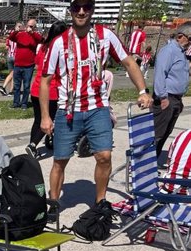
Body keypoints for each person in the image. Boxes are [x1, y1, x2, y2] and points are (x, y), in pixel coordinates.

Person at [40, 0, 152, 213]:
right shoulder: (59, 42)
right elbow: (45, 81)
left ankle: (100, 203)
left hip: (98, 108)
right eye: (76, 7)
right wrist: (46, 116)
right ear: (70, 10)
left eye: (86, 7)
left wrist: (142, 91)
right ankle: (54, 202)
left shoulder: (105, 35)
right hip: (68, 110)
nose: (81, 12)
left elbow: (128, 62)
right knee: (60, 160)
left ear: (92, 10)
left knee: (104, 156)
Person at [26, 21, 67, 159]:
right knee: (49, 119)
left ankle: (32, 144)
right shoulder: (60, 48)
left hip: (36, 87)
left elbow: (38, 62)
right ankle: (33, 144)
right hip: (51, 90)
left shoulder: (43, 47)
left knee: (38, 120)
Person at [152, 23, 191, 169]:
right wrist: (163, 97)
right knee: (157, 133)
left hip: (175, 99)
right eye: (190, 39)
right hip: (166, 98)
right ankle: (145, 165)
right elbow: (160, 74)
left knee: (166, 132)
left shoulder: (181, 52)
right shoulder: (168, 51)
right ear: (181, 36)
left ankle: (152, 162)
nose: (190, 42)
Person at [8, 18, 42, 109]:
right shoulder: (20, 34)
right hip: (18, 64)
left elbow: (42, 40)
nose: (28, 28)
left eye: (31, 26)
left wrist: (32, 33)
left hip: (29, 65)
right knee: (16, 85)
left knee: (26, 86)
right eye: (28, 26)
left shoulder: (35, 36)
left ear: (34, 27)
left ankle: (24, 103)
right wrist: (16, 31)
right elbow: (11, 38)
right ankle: (16, 102)